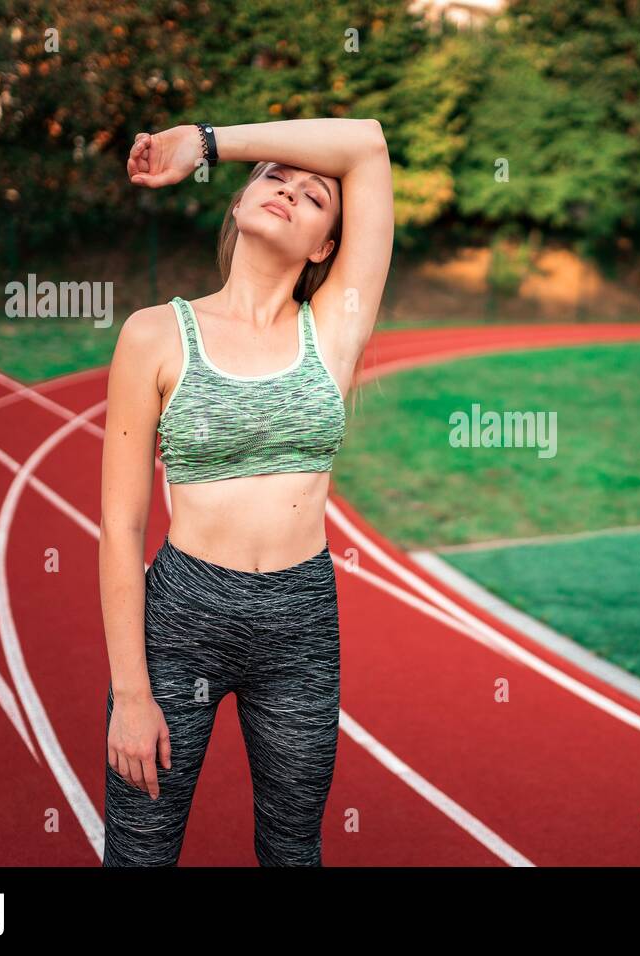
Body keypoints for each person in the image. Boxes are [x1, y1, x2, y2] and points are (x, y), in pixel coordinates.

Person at [98, 117, 393, 865]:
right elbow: (122, 525)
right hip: (182, 618)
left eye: (314, 196)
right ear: (237, 204)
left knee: (293, 855)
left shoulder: (333, 328)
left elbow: (366, 145)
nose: (290, 192)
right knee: (142, 855)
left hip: (300, 624)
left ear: (327, 244)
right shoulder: (155, 334)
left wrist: (207, 140)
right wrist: (131, 694)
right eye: (273, 178)